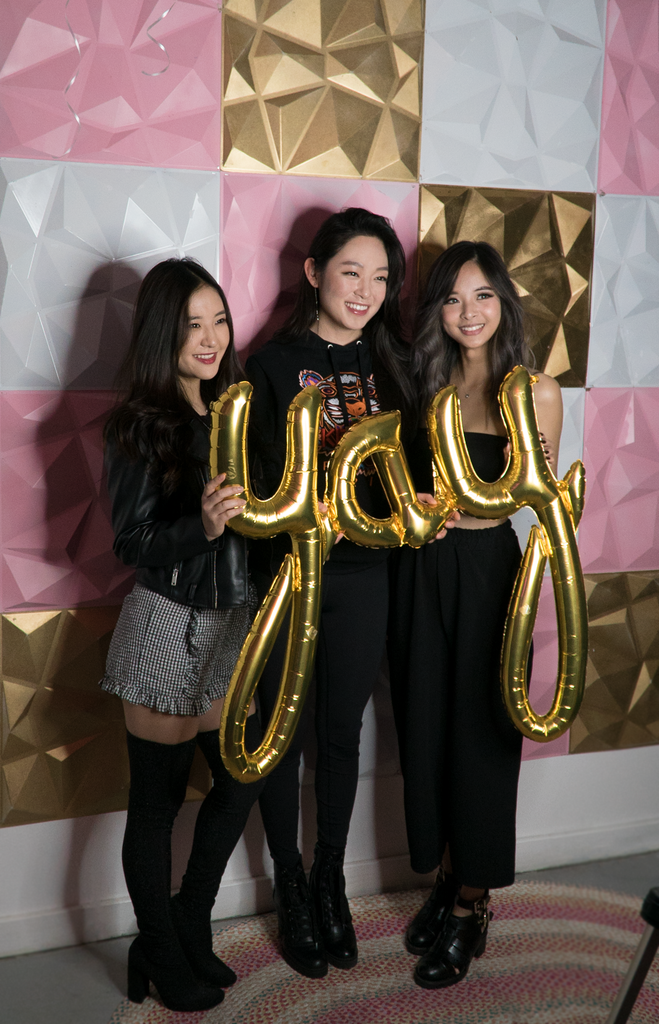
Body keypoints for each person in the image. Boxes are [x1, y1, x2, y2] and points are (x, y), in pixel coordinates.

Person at [245, 208, 416, 978]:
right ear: (313, 272)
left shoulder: (395, 363)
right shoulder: (270, 365)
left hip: (364, 578)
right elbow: (249, 486)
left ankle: (328, 880)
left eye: (381, 277)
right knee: (280, 732)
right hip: (289, 573)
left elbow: (416, 472)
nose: (366, 291)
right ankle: (289, 884)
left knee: (340, 734)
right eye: (351, 271)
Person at [388, 241, 563, 989]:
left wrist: (481, 511)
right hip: (418, 574)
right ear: (437, 310)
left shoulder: (534, 390)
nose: (468, 312)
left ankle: (470, 906)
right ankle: (444, 878)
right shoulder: (422, 382)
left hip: (492, 576)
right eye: (454, 298)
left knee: (483, 735)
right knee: (426, 729)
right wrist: (418, 509)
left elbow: (541, 497)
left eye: (482, 296)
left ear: (503, 304)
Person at [101, 258, 265, 1012]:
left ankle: (187, 921)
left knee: (241, 777)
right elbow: (131, 540)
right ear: (164, 332)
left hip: (233, 623)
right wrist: (198, 526)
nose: (210, 337)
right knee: (157, 804)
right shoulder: (141, 423)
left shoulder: (237, 409)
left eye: (219, 320)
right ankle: (161, 952)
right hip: (169, 621)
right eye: (193, 323)